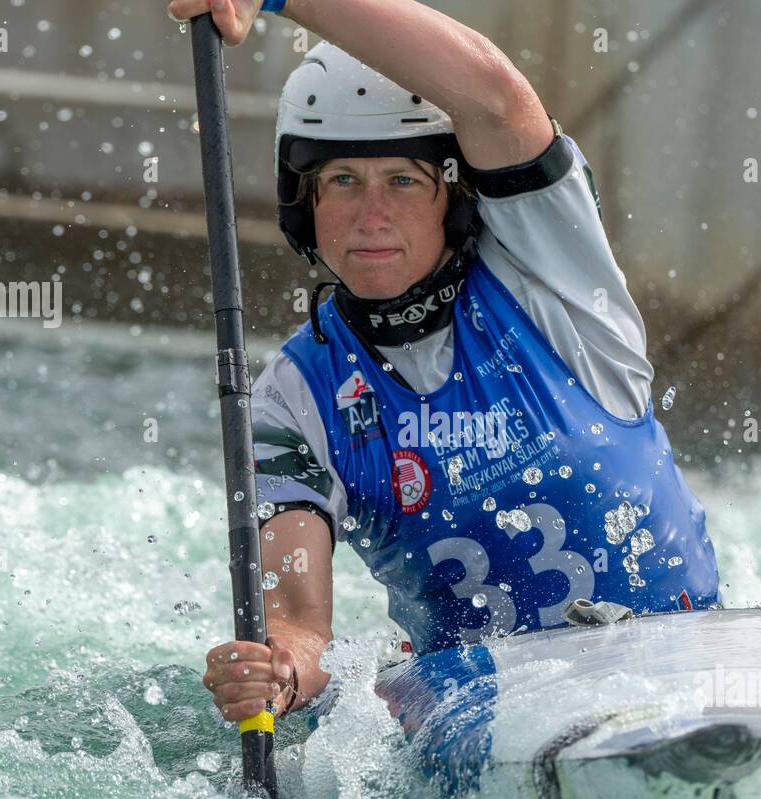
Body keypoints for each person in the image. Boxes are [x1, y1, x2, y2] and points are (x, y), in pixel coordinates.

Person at [169, 0, 720, 726]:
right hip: (488, 721)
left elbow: (493, 95)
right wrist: (278, 672)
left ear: (452, 201)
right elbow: (300, 623)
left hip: (681, 668)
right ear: (304, 206)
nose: (371, 216)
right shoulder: (290, 400)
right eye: (341, 181)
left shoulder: (551, 276)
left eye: (403, 181)